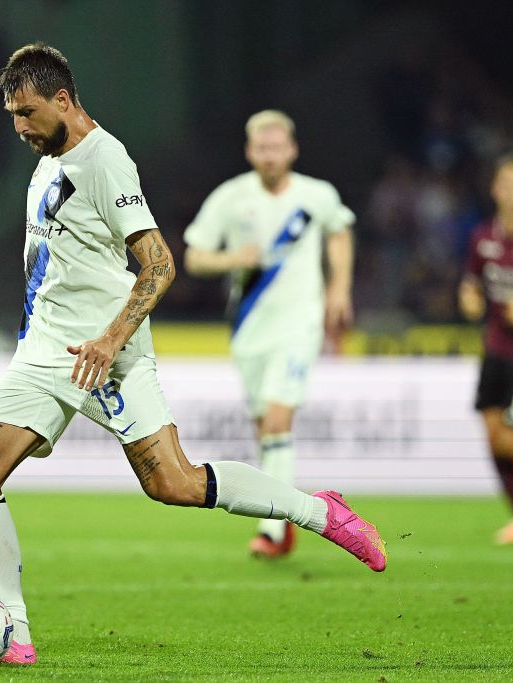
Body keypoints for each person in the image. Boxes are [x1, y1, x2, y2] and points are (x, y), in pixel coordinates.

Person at [0, 44, 386, 667]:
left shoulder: (105, 160)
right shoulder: (48, 157)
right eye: (12, 114)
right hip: (44, 352)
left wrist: (110, 340)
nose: (19, 126)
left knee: (173, 483)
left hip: (107, 355)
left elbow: (161, 264)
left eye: (27, 112)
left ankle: (318, 512)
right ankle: (12, 630)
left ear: (62, 99)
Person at [182, 110, 355, 559]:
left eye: (277, 147)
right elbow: (195, 256)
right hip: (249, 328)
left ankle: (274, 529)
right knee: (265, 428)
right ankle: (284, 521)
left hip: (300, 324)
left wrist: (338, 289)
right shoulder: (230, 197)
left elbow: (339, 233)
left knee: (278, 421)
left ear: (292, 150)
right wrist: (232, 259)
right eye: (262, 148)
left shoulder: (316, 195)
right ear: (250, 151)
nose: (270, 156)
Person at [458, 153, 513, 544]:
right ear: (495, 190)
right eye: (505, 185)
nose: (511, 193)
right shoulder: (483, 236)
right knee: (494, 437)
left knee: (512, 436)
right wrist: (469, 298)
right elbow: (472, 282)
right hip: (496, 349)